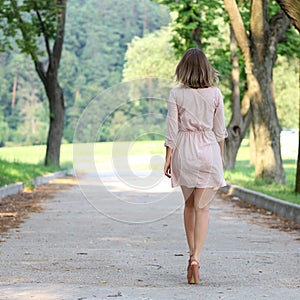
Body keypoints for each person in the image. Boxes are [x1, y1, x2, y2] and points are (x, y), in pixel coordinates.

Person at [164, 48, 227, 284]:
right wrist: (220, 158)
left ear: (183, 69)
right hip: (208, 148)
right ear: (206, 69)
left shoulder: (176, 94)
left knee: (189, 205)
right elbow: (220, 131)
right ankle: (196, 259)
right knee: (203, 208)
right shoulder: (215, 94)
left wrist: (168, 157)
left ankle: (190, 254)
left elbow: (172, 129)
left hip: (185, 150)